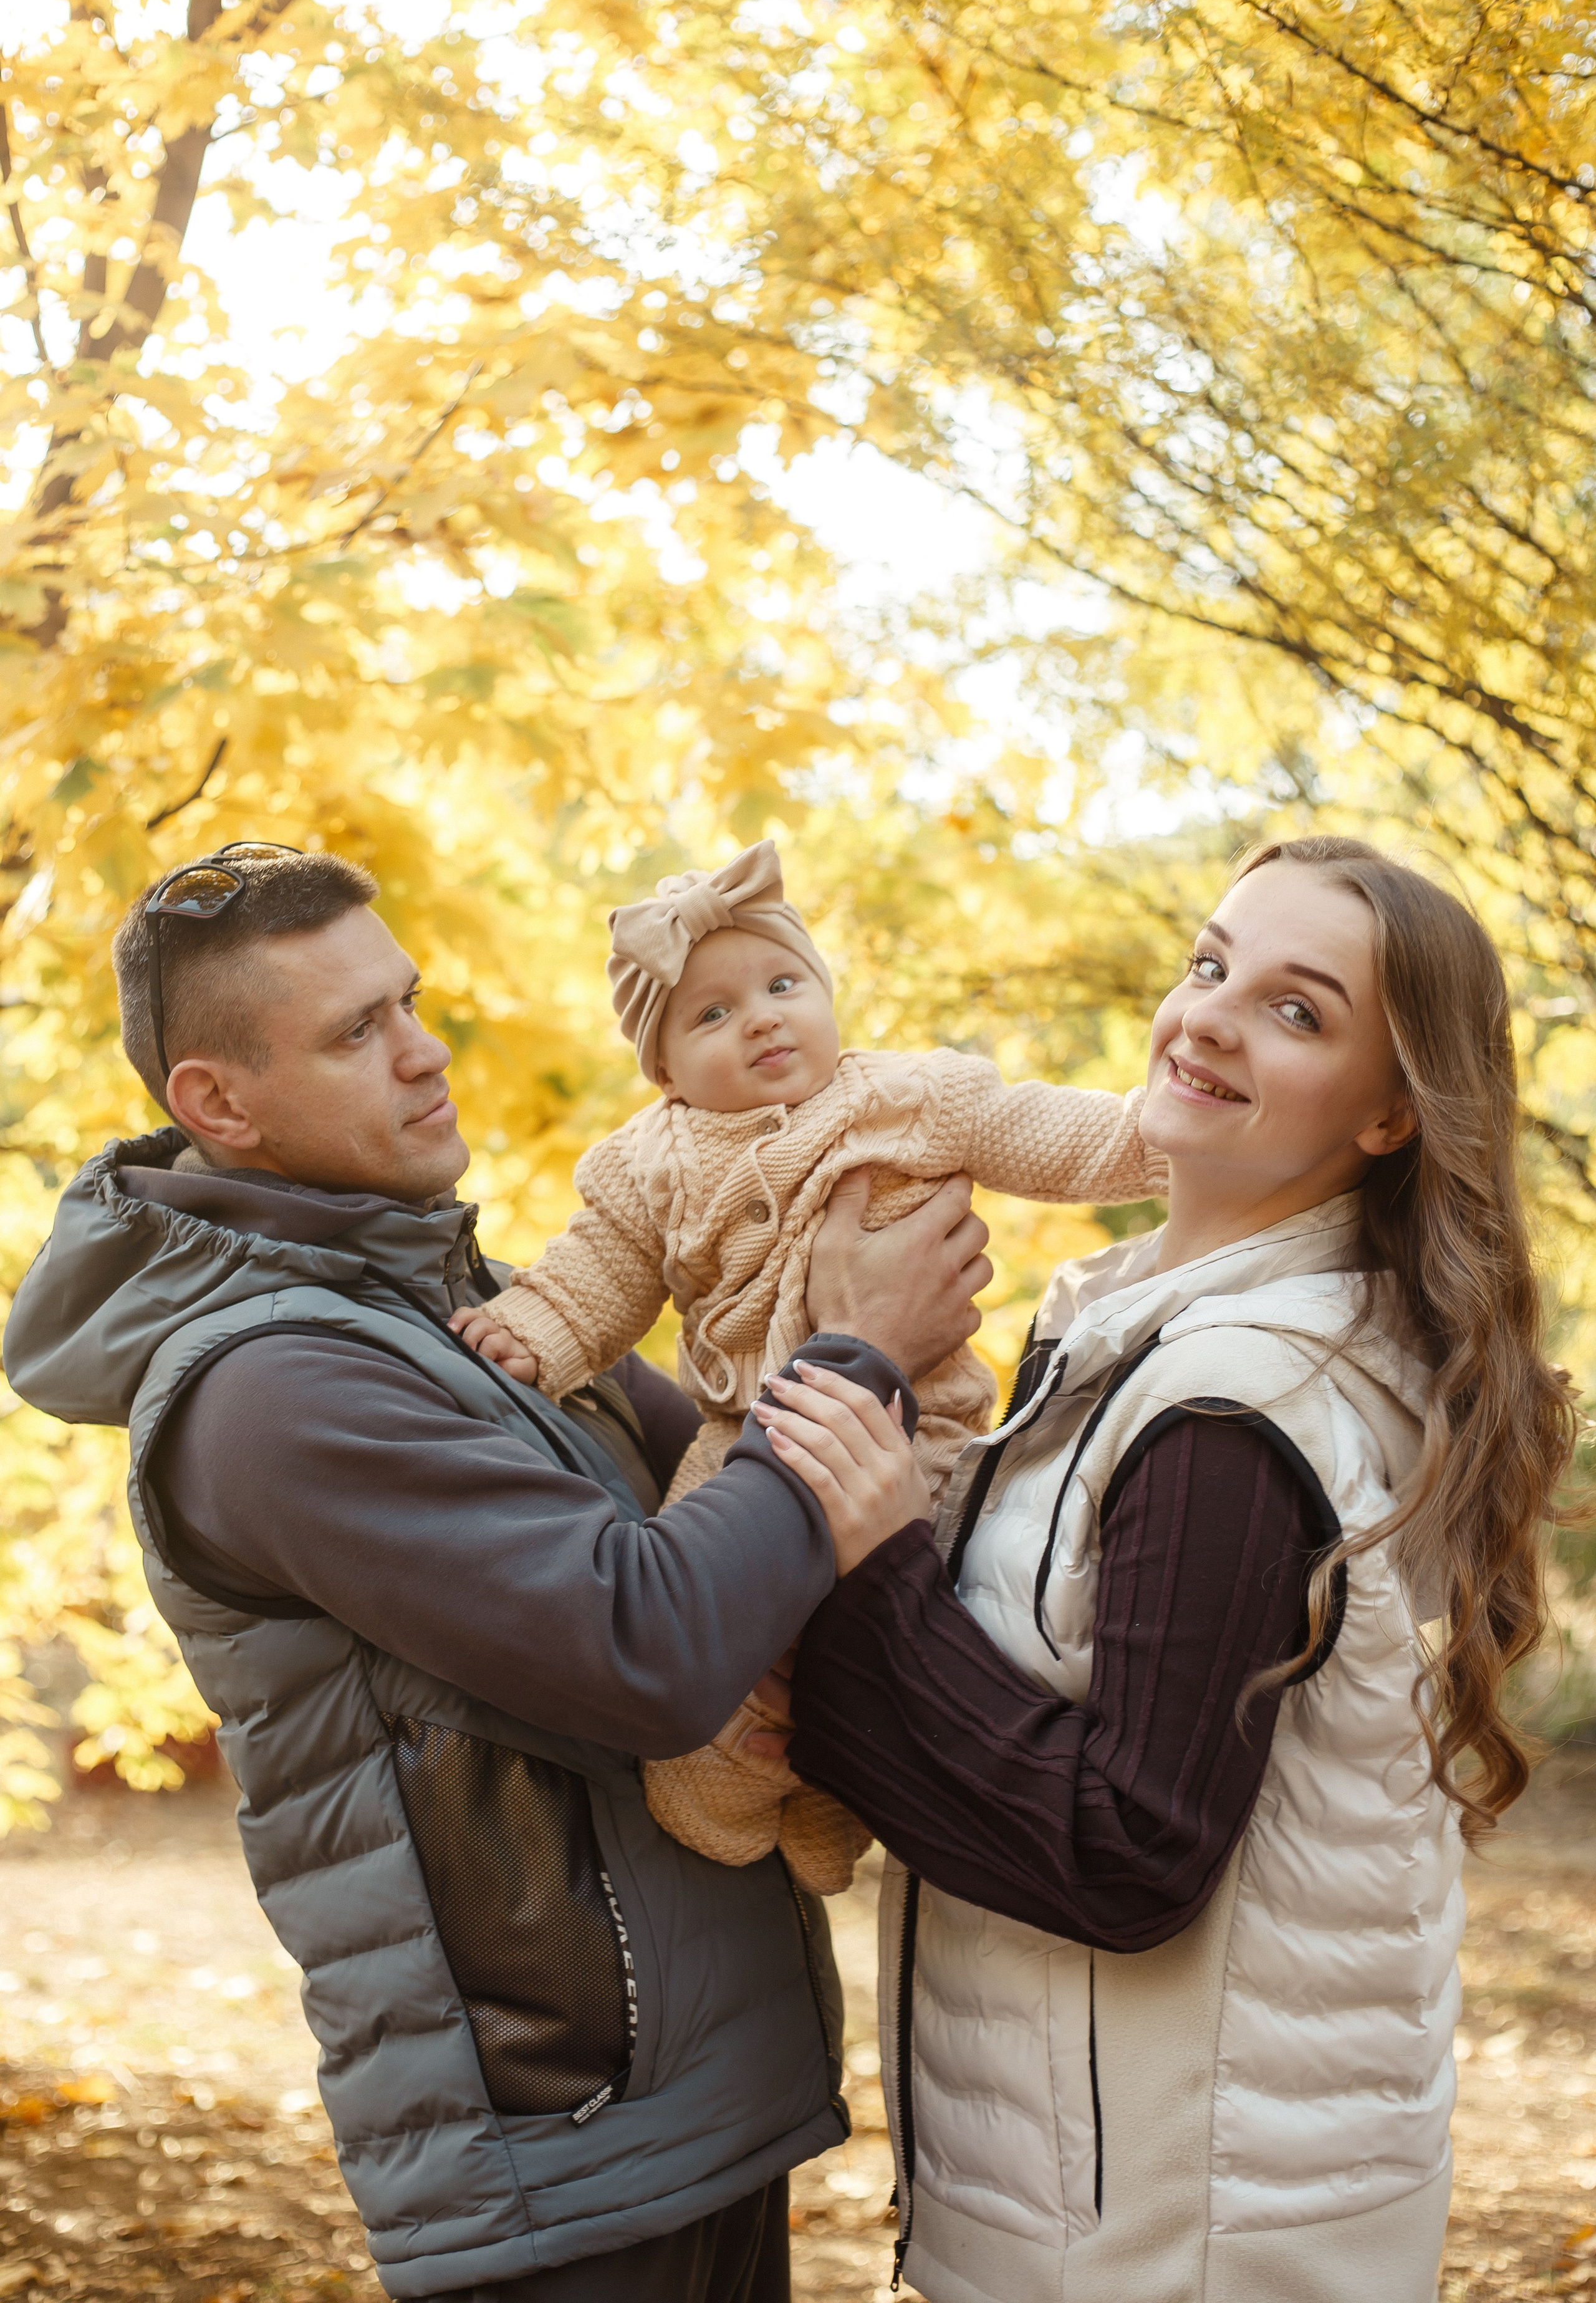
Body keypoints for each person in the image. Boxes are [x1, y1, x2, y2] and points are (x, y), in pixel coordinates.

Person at [1, 842, 993, 2303]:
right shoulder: (275, 1390)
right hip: (558, 2163)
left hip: (698, 2111)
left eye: (408, 1003)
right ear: (220, 1105)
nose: (425, 1053)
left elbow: (737, 1504)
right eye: (357, 1032)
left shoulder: (464, 1311)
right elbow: (651, 1645)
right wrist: (854, 1350)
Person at [755, 836, 1574, 2303]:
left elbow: (1124, 1850)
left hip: (1170, 2254)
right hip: (1120, 2217)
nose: (1207, 1017)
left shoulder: (1229, 1409)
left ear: (1389, 1113)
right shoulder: (1146, 1344)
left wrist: (873, 1564)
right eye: (1209, 965)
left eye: (1294, 1009)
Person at [448, 837, 1164, 1896]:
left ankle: (840, 1794)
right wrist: (543, 1327)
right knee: (711, 1643)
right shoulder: (650, 1162)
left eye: (784, 986)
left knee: (906, 1629)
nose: (762, 1019)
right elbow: (599, 1268)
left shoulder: (910, 1098)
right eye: (713, 1014)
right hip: (748, 1440)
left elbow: (1052, 1132)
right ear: (665, 1071)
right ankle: (734, 1790)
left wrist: (1166, 1139)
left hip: (914, 1434)